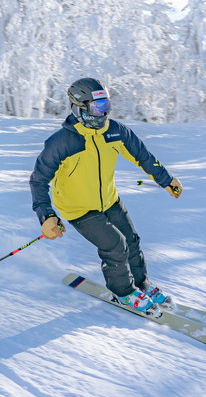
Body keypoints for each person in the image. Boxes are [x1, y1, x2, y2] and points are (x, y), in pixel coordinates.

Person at [29, 77, 183, 315]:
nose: (103, 113)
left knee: (131, 240)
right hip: (78, 208)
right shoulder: (62, 142)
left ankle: (141, 285)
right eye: (98, 108)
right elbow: (38, 180)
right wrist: (47, 216)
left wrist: (165, 179)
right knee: (115, 245)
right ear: (80, 108)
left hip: (109, 200)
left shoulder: (114, 131)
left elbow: (142, 155)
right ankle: (123, 292)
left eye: (106, 106)